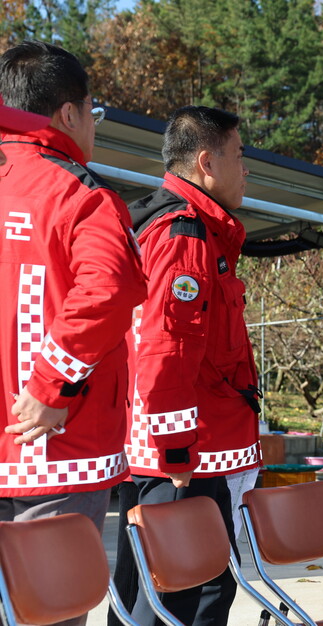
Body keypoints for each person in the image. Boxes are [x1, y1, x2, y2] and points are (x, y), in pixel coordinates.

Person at [119, 106, 262, 626]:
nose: (246, 170)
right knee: (190, 596)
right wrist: (177, 452)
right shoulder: (185, 236)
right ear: (206, 161)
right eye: (239, 156)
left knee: (154, 590)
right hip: (187, 458)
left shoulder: (179, 227)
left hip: (180, 452)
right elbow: (165, 355)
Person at [0, 41, 146, 525]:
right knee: (52, 600)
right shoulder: (79, 193)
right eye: (91, 111)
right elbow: (108, 289)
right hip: (55, 454)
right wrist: (50, 388)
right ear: (68, 113)